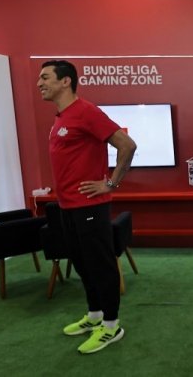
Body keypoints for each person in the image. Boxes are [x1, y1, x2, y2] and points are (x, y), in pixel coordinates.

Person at [38, 60, 137, 354]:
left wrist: (111, 183)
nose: (39, 83)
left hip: (90, 206)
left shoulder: (86, 111)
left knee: (100, 265)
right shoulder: (61, 117)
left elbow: (127, 145)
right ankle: (94, 315)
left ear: (65, 81)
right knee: (81, 263)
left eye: (45, 77)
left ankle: (111, 326)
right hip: (68, 206)